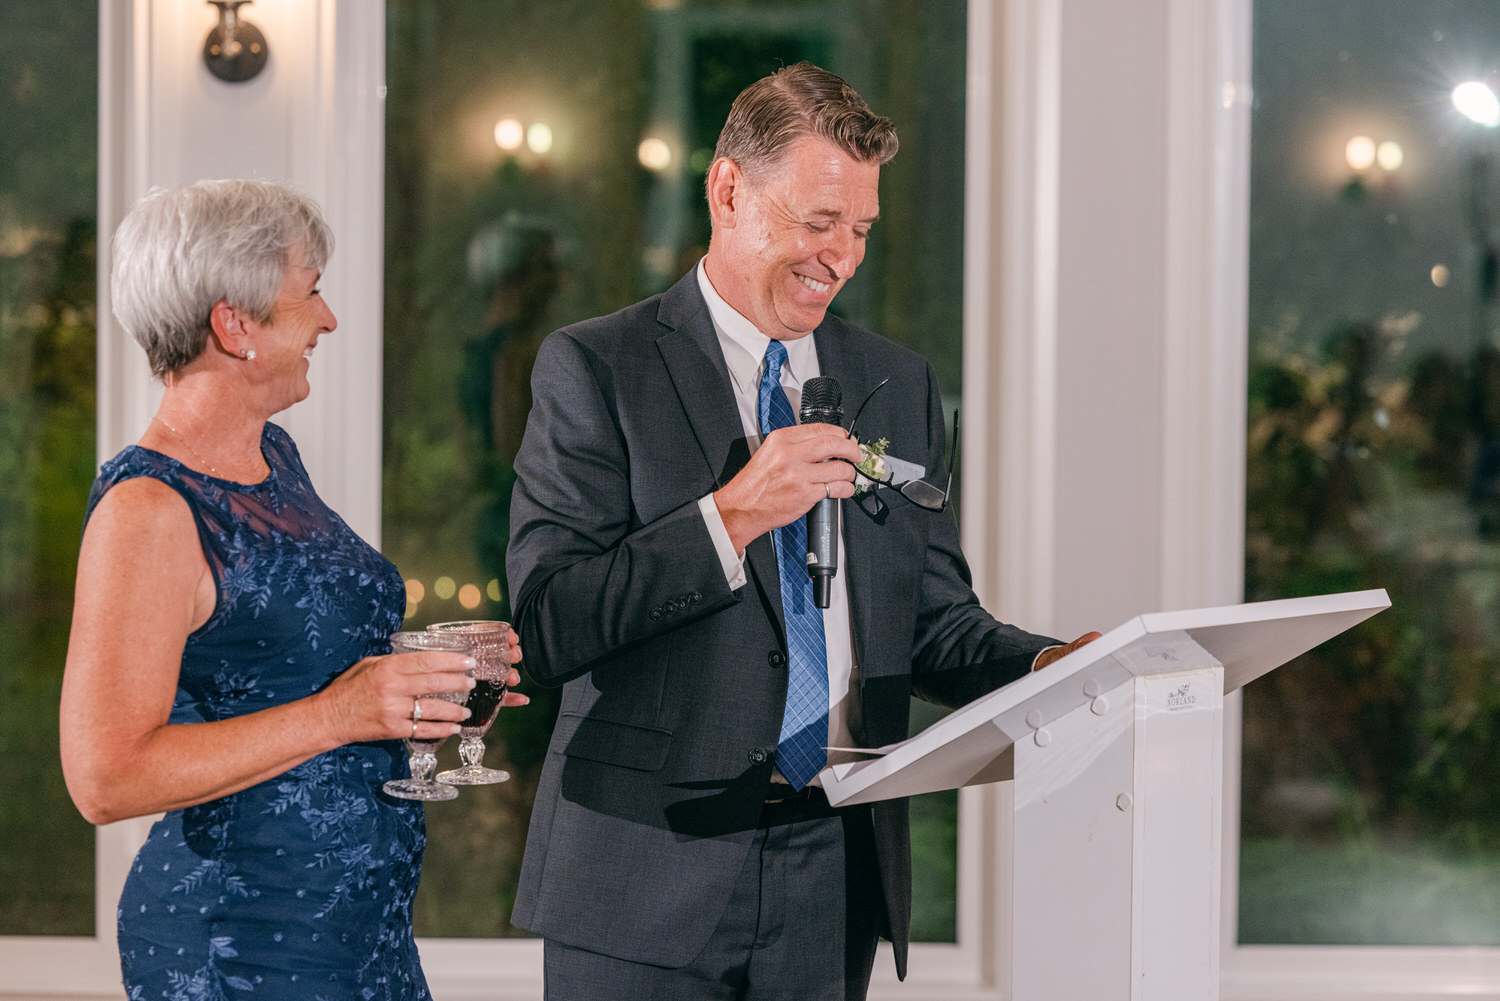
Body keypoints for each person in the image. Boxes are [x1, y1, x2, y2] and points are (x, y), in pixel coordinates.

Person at [505, 63, 1099, 1000]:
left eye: (860, 230)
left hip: (832, 873)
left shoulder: (896, 382)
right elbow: (547, 626)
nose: (842, 257)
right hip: (641, 877)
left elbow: (933, 623)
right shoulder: (596, 366)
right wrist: (736, 512)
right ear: (729, 190)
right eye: (819, 224)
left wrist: (1054, 665)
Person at [59, 178, 526, 1000]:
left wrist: (423, 688)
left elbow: (294, 657)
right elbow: (104, 776)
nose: (329, 318)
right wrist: (343, 711)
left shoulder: (276, 461)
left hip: (356, 931)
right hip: (241, 942)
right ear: (234, 325)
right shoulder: (148, 511)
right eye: (309, 294)